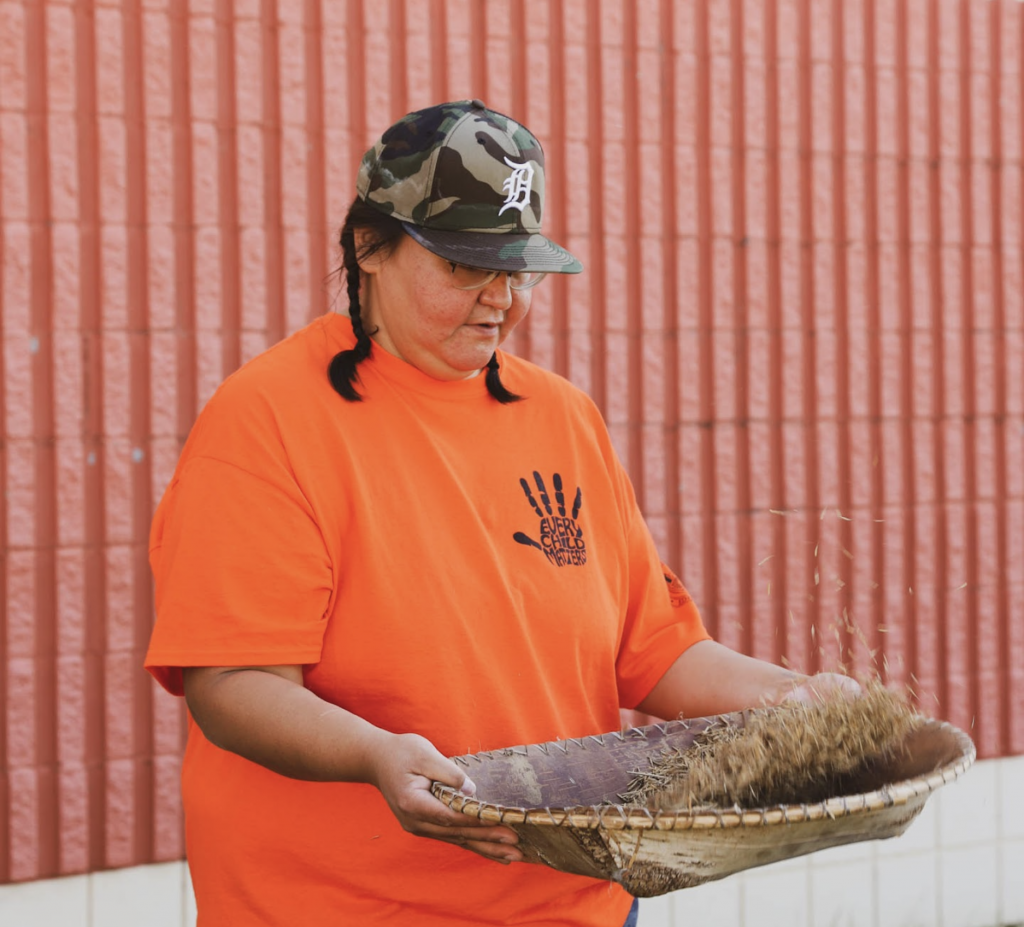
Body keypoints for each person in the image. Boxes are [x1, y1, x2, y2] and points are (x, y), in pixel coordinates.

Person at [144, 99, 856, 927]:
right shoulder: (268, 418)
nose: (501, 301)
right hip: (346, 907)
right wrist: (376, 757)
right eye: (462, 267)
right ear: (369, 246)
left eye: (517, 271)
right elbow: (232, 684)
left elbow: (655, 651)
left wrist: (795, 703)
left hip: (573, 903)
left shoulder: (561, 416)